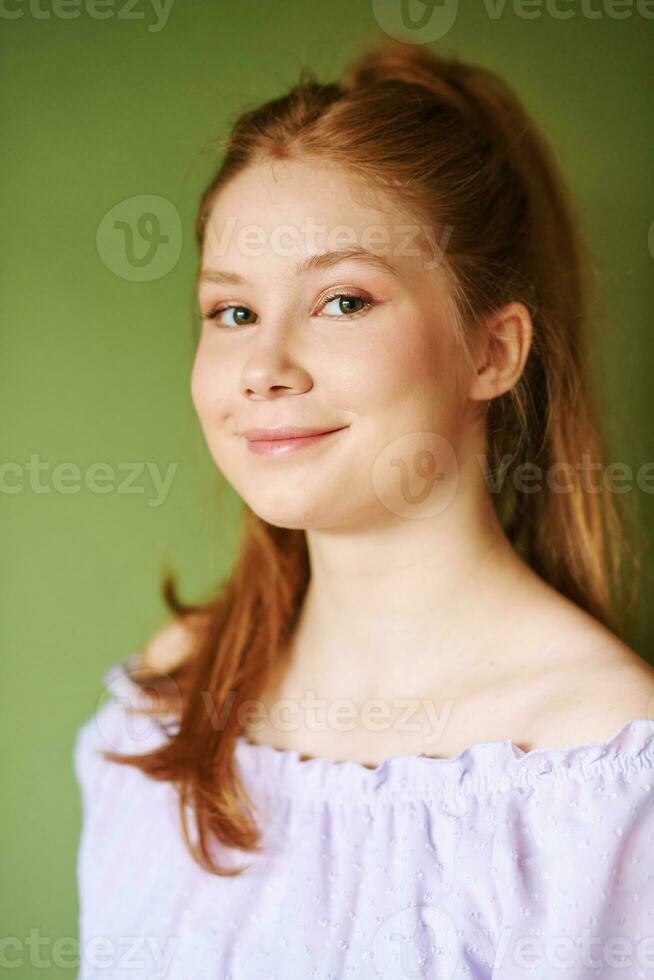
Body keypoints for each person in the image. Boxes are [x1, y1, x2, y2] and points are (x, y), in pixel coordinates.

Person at [74, 36, 654, 980]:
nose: (264, 369)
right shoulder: (167, 702)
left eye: (343, 301)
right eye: (232, 312)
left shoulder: (605, 775)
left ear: (493, 352)